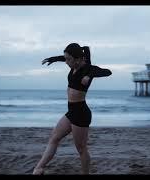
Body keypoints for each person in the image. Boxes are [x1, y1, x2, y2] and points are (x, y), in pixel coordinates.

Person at [33, 43, 112, 175]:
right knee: (54, 138)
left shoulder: (87, 68)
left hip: (81, 113)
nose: (66, 62)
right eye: (66, 58)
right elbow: (65, 58)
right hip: (71, 112)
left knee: (81, 149)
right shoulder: (73, 63)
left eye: (68, 59)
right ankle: (39, 168)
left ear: (77, 59)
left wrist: (89, 75)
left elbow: (107, 72)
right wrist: (53, 59)